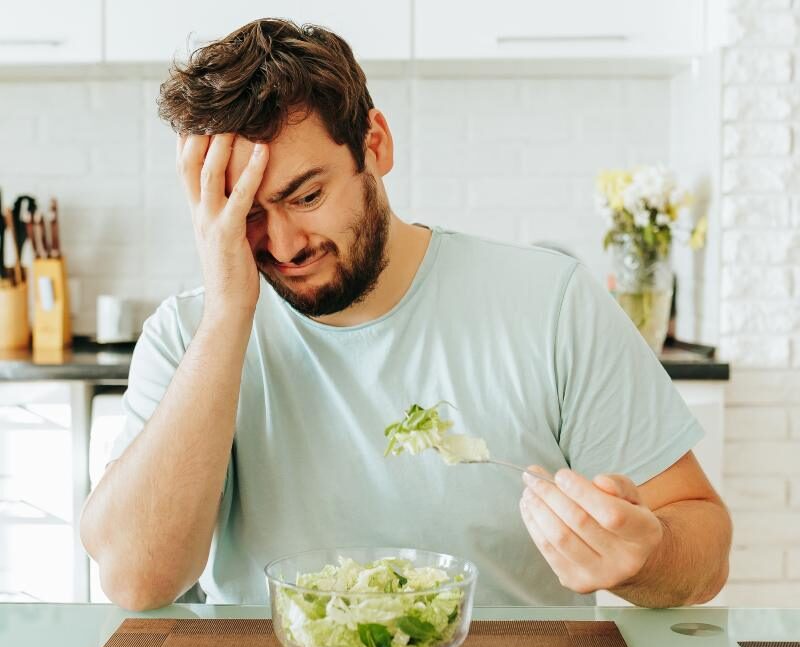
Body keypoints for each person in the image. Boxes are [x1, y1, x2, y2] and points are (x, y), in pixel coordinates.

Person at [79, 18, 731, 611]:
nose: (283, 244)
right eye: (247, 213)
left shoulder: (551, 304)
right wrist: (228, 314)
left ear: (375, 144)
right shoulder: (188, 334)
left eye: (307, 196)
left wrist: (643, 558)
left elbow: (703, 546)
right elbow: (135, 581)